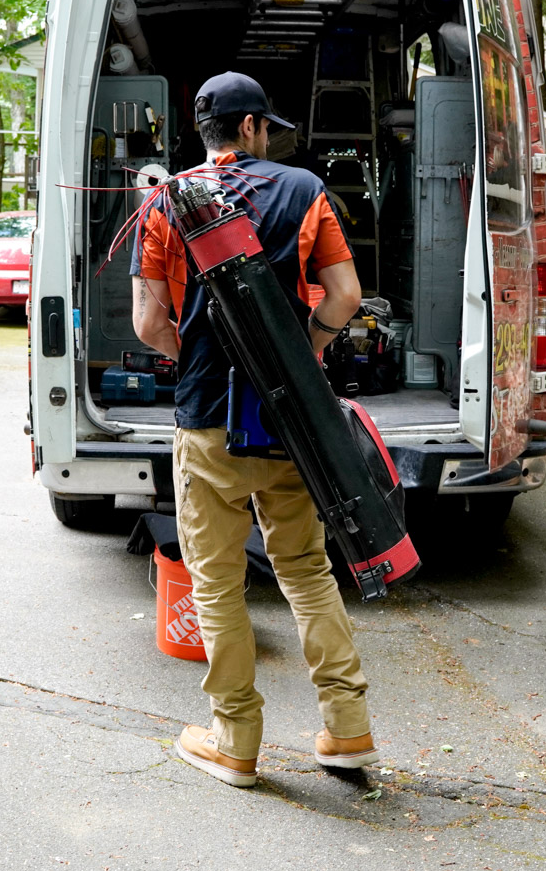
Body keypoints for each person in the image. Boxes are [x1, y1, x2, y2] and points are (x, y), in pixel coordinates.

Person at [131, 71, 378, 786]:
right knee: (304, 570)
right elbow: (346, 296)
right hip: (290, 422)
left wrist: (202, 358)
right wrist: (305, 352)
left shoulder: (167, 200)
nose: (267, 137)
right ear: (249, 129)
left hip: (207, 422)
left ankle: (236, 741)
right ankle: (348, 727)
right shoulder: (303, 191)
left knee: (216, 582)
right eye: (264, 126)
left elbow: (150, 323)